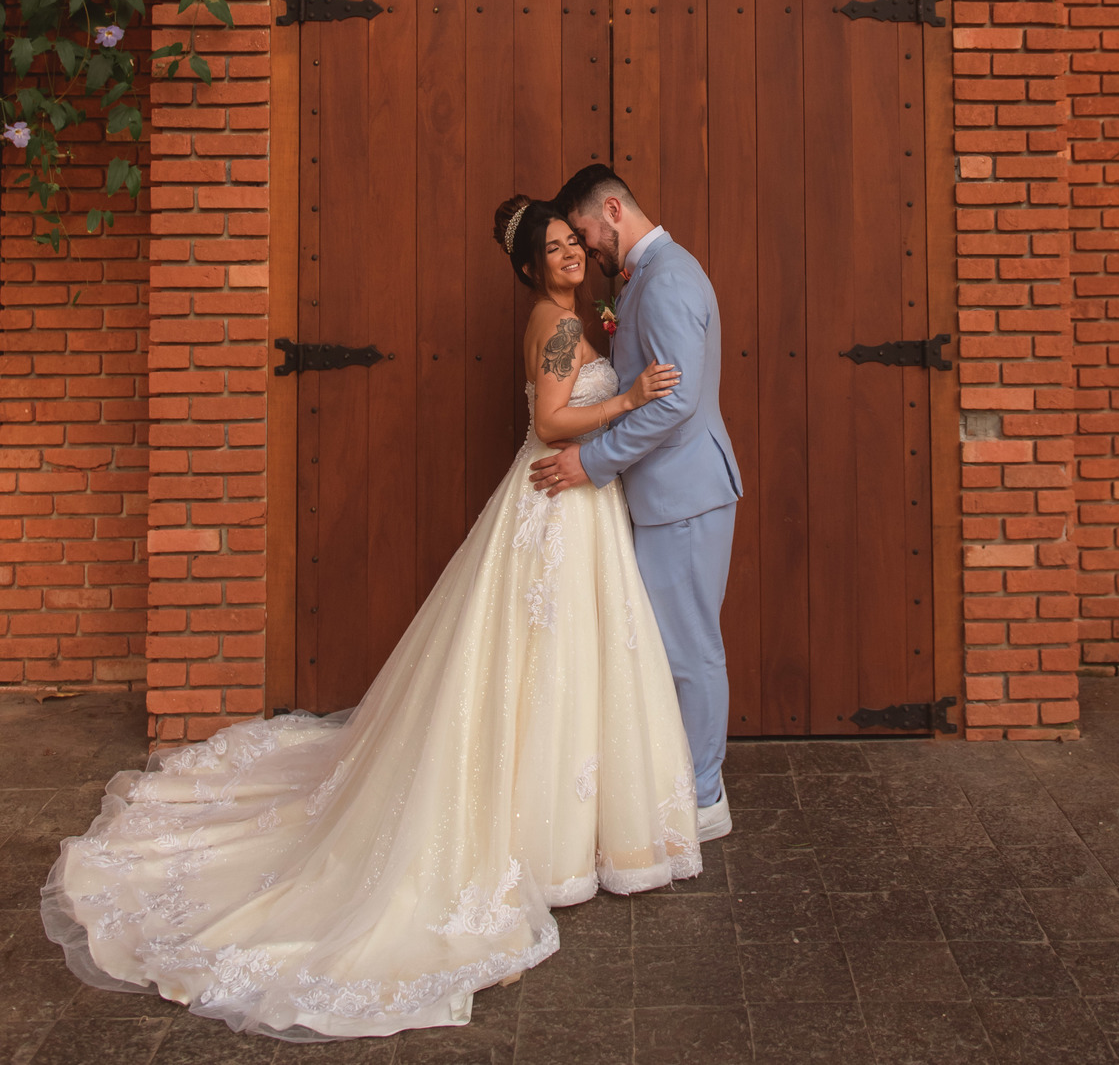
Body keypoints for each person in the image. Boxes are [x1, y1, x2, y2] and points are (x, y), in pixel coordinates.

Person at [41, 198, 700, 1042]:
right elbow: (548, 422)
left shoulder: (560, 317)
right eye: (554, 248)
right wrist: (631, 396)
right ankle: (554, 843)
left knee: (555, 658)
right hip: (558, 496)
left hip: (568, 504)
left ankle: (573, 828)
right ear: (531, 267)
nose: (571, 254)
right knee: (551, 655)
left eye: (575, 243)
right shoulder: (560, 327)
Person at [531, 166, 742, 842]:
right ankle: (680, 782)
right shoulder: (647, 277)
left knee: (690, 652)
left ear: (613, 210)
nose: (588, 250)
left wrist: (591, 463)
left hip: (684, 493)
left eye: (587, 233)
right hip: (663, 493)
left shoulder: (671, 276)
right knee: (667, 649)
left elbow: (676, 402)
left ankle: (705, 800)